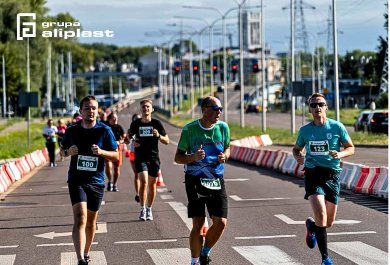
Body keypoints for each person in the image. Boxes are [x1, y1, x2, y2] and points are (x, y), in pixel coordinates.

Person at [292, 93, 355, 265]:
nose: (317, 107)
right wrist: (298, 156)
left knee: (328, 222)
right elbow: (296, 148)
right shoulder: (305, 131)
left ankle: (312, 227)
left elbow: (351, 148)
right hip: (313, 174)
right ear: (310, 109)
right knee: (320, 214)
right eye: (314, 105)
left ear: (326, 107)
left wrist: (340, 153)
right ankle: (325, 258)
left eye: (321, 104)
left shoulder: (337, 127)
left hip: (332, 175)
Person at [60, 95, 119, 265]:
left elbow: (116, 156)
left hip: (97, 181)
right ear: (81, 111)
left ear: (97, 110)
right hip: (76, 180)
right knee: (80, 218)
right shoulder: (72, 130)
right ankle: (80, 259)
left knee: (91, 222)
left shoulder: (104, 130)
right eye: (87, 108)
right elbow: (61, 152)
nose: (91, 111)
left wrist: (101, 152)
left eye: (93, 108)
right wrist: (68, 153)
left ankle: (86, 251)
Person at [174, 96, 230, 265]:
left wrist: (224, 156)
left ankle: (205, 251)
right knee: (198, 223)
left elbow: (227, 147)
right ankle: (195, 261)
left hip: (216, 179)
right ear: (204, 109)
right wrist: (194, 157)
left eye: (220, 108)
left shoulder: (223, 127)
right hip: (195, 180)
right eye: (215, 108)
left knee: (221, 222)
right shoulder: (189, 130)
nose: (219, 112)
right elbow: (178, 157)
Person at [128, 99, 169, 221]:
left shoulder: (156, 124)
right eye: (143, 107)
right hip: (140, 158)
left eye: (148, 107)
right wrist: (133, 141)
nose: (145, 109)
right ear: (140, 110)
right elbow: (129, 134)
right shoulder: (136, 124)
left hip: (153, 158)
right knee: (144, 182)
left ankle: (149, 209)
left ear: (152, 109)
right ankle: (143, 209)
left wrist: (158, 136)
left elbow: (166, 140)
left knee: (152, 185)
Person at [105, 112, 126, 192]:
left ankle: (115, 184)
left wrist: (120, 141)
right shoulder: (106, 127)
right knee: (108, 165)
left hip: (117, 149)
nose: (116, 119)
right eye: (114, 117)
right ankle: (110, 181)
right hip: (108, 149)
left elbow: (124, 137)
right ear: (109, 119)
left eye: (116, 117)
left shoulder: (119, 127)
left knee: (117, 168)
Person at [129, 113, 142, 202]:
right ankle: (138, 193)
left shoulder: (144, 128)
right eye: (135, 119)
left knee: (144, 175)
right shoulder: (131, 130)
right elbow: (127, 139)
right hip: (133, 153)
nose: (136, 120)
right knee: (137, 174)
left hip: (143, 153)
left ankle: (142, 191)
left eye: (138, 119)